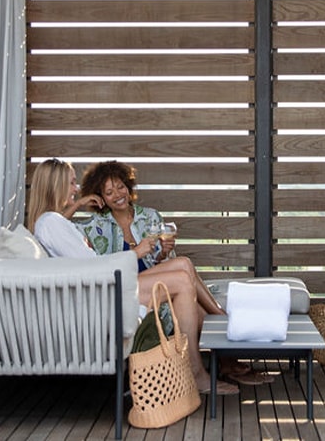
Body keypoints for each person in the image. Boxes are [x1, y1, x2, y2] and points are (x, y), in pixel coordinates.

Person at [24, 157, 240, 395]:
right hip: (108, 291)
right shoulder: (53, 223)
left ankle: (208, 349)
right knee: (181, 277)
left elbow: (62, 233)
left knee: (183, 265)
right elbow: (94, 269)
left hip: (109, 284)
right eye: (72, 183)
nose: (75, 188)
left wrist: (78, 203)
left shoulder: (49, 222)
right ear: (56, 185)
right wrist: (137, 252)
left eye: (76, 183)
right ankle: (200, 367)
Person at [79, 160, 272, 386]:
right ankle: (221, 325)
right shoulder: (96, 226)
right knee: (185, 267)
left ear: (128, 186)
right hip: (131, 290)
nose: (118, 195)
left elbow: (168, 266)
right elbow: (49, 225)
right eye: (109, 192)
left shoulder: (150, 217)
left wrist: (162, 255)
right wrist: (79, 204)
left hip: (160, 287)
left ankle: (224, 364)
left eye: (120, 187)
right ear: (100, 197)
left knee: (184, 269)